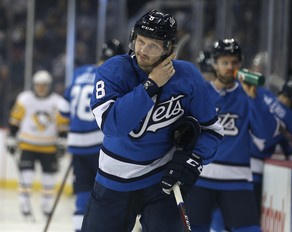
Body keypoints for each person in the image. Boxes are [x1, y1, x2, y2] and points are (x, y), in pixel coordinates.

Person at [81, 9, 223, 232]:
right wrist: (151, 86)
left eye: (153, 45)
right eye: (140, 41)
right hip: (113, 180)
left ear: (169, 50)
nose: (142, 51)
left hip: (162, 182)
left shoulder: (188, 76)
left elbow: (212, 130)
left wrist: (193, 159)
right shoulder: (114, 70)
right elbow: (113, 126)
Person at [186, 38, 261, 232]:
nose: (230, 67)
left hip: (237, 178)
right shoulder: (200, 92)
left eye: (234, 62)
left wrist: (255, 99)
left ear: (241, 63)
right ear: (215, 64)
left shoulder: (249, 94)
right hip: (200, 175)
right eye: (224, 62)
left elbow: (264, 133)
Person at [58, 39, 125, 231]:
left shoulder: (79, 73)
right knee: (107, 192)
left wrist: (64, 136)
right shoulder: (114, 75)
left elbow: (63, 110)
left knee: (82, 191)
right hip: (99, 144)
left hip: (76, 143)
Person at [6, 70, 68, 217]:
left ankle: (46, 207)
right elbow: (15, 120)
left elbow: (62, 125)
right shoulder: (25, 99)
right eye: (38, 85)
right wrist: (11, 139)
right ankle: (24, 205)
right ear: (34, 85)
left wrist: (62, 141)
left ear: (49, 85)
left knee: (48, 180)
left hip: (49, 147)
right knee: (26, 177)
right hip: (28, 145)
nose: (41, 88)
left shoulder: (57, 102)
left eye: (44, 85)